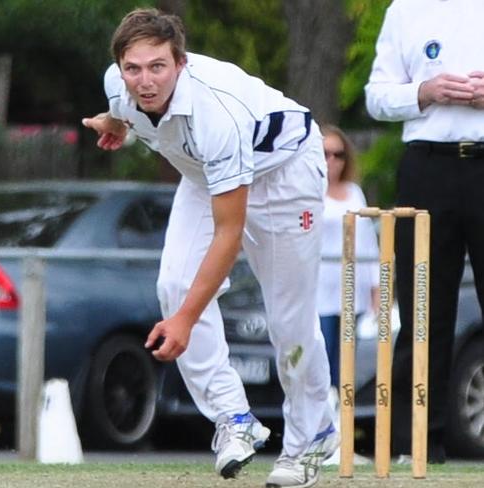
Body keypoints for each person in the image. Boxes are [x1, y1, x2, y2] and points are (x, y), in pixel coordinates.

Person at [82, 8, 338, 487]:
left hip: (285, 175)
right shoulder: (120, 85)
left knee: (289, 320)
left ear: (180, 63)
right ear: (120, 67)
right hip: (207, 177)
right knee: (174, 285)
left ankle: (313, 435)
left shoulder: (216, 114)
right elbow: (127, 108)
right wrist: (116, 124)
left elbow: (229, 234)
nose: (144, 80)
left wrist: (184, 321)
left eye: (157, 67)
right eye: (133, 69)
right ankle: (234, 419)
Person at [365, 0, 484, 463]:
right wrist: (425, 91)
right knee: (423, 309)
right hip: (428, 165)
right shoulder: (406, 9)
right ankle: (415, 442)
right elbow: (376, 97)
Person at [317, 125, 379, 392]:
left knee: (347, 361)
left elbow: (368, 243)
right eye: (324, 153)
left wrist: (378, 290)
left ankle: (344, 419)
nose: (331, 161)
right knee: (321, 356)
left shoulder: (354, 192)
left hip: (352, 289)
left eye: (338, 154)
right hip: (318, 289)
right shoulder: (308, 192)